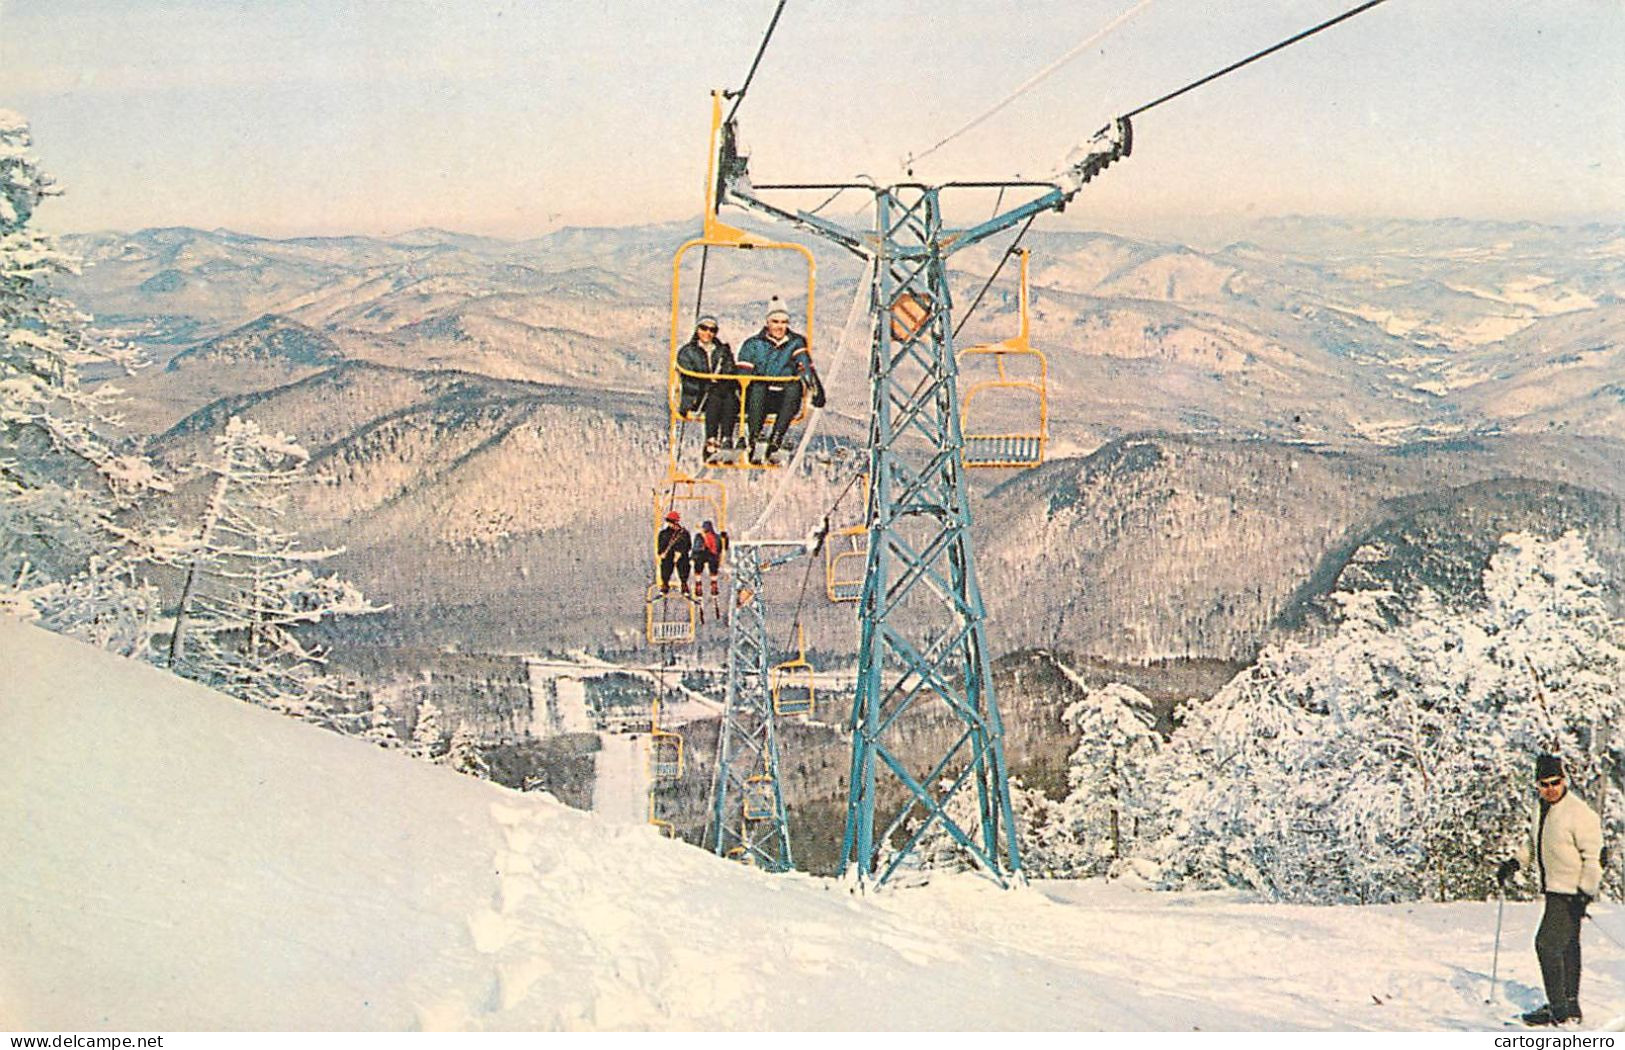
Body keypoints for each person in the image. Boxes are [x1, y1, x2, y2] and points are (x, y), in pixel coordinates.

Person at [1498, 753, 1603, 1026]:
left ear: (1564, 780)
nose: (1550, 789)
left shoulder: (1579, 814)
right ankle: (1570, 1007)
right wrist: (1514, 863)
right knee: (1567, 946)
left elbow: (1594, 858)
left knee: (1545, 944)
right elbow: (1533, 844)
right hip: (1554, 889)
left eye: (1555, 782)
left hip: (1570, 893)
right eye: (1544, 784)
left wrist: (1585, 893)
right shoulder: (1540, 809)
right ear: (1537, 785)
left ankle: (1558, 1010)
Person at [734, 296, 825, 465]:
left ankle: (776, 440)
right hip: (758, 399)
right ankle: (755, 439)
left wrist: (815, 388)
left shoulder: (795, 343)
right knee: (758, 386)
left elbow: (804, 364)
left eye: (784, 322)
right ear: (767, 323)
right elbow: (742, 375)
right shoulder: (754, 344)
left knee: (794, 387)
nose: (779, 327)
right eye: (775, 322)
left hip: (782, 398)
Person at [675, 315, 738, 463]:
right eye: (704, 328)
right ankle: (711, 440)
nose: (708, 333)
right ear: (697, 330)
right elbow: (688, 377)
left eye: (712, 330)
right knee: (716, 394)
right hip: (696, 395)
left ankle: (726, 439)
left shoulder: (722, 351)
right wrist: (708, 382)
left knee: (730, 396)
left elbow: (730, 370)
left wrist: (723, 379)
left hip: (719, 392)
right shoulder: (688, 352)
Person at [690, 520, 728, 599]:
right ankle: (702, 583)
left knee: (709, 563)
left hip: (709, 555)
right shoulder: (703, 536)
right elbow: (696, 547)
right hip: (704, 555)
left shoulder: (713, 537)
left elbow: (720, 548)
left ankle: (707, 583)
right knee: (701, 562)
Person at [656, 510, 691, 595]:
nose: (670, 524)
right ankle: (665, 583)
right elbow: (661, 545)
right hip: (668, 555)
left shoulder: (683, 533)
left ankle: (684, 583)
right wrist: (661, 553)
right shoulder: (663, 534)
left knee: (684, 563)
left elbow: (688, 545)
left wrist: (679, 552)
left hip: (680, 555)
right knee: (665, 565)